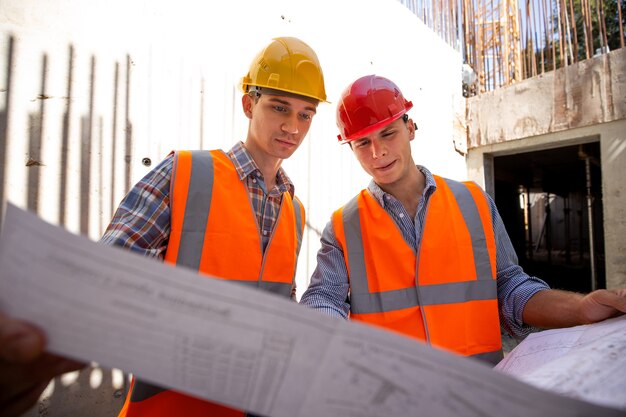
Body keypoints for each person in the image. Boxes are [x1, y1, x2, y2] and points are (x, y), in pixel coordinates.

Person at [0, 36, 327, 417]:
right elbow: (109, 279)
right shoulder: (186, 173)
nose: (292, 126)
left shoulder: (294, 210)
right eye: (279, 107)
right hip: (168, 406)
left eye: (305, 114)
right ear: (249, 104)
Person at [299, 74, 626, 365]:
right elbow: (323, 301)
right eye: (363, 143)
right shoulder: (344, 226)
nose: (377, 152)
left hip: (476, 397)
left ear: (410, 128)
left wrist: (581, 309)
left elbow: (511, 289)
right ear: (351, 147)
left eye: (388, 134)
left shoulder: (474, 203)